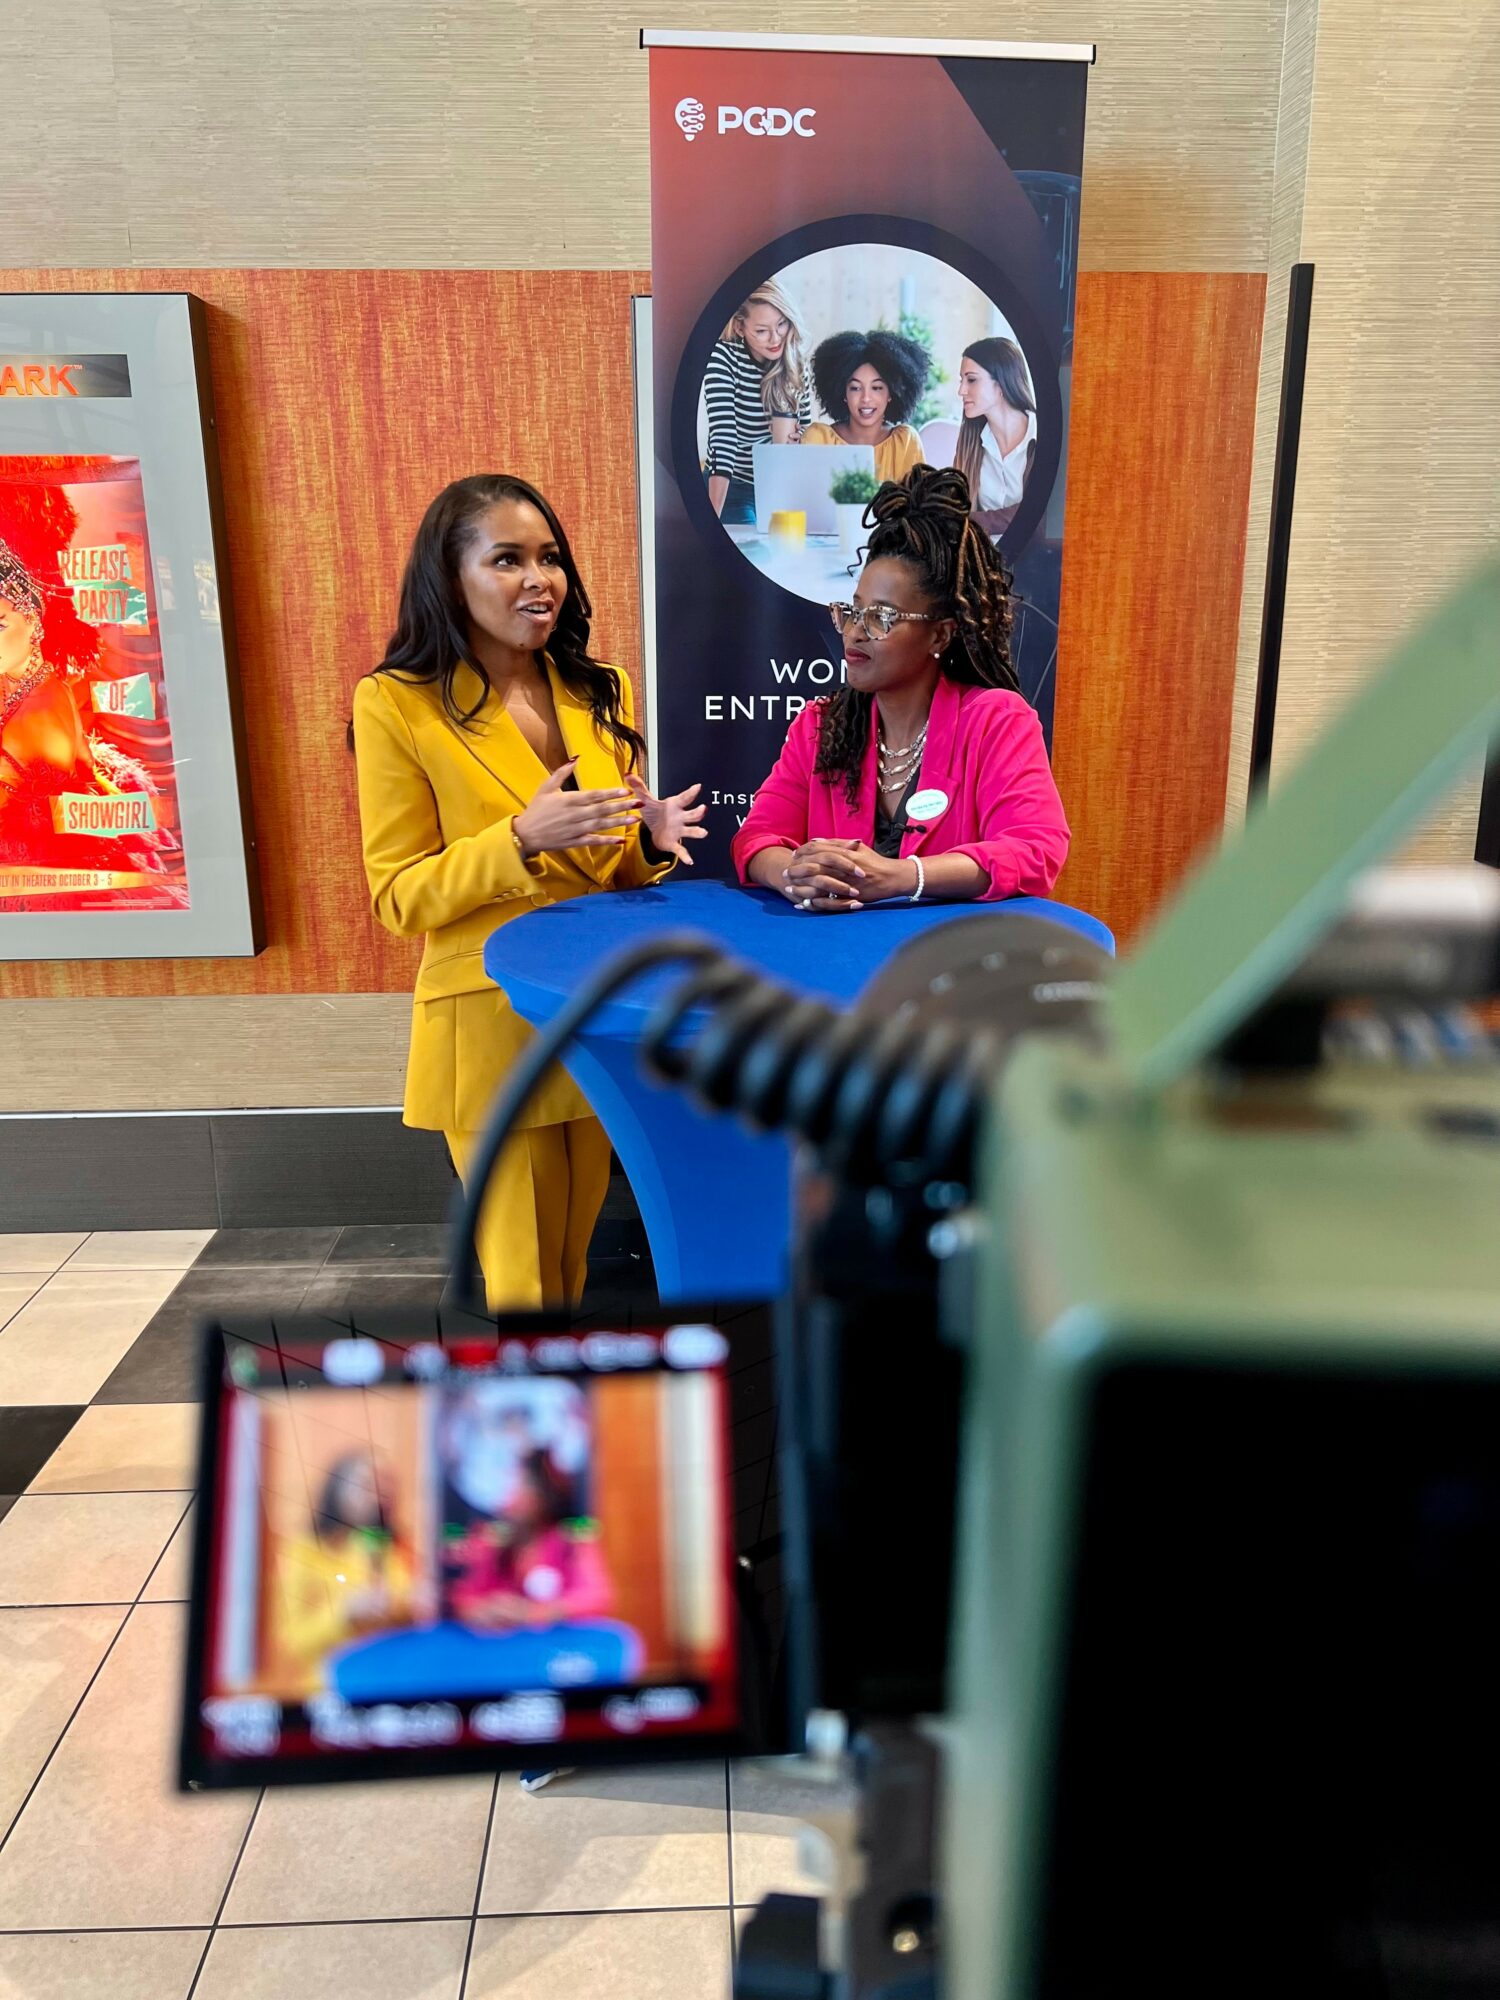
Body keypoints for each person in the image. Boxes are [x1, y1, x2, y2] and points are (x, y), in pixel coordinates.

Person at [352, 475, 706, 1307]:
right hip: (489, 1022)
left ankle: (559, 1388)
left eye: (550, 559)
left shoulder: (598, 687)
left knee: (571, 1270)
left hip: (588, 1016)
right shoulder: (397, 704)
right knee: (524, 1285)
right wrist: (516, 840)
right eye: (507, 559)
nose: (539, 580)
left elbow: (607, 870)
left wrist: (646, 842)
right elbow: (399, 895)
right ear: (452, 578)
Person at [732, 464, 1069, 911]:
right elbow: (756, 838)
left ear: (940, 635)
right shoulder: (820, 727)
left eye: (881, 617)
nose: (854, 632)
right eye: (853, 611)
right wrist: (795, 874)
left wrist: (903, 877)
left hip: (948, 951)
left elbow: (1035, 851)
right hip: (837, 950)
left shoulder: (995, 721)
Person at [0, 492, 171, 884]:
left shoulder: (38, 716)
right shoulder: (35, 681)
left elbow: (41, 819)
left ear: (33, 619)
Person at [274, 1451, 414, 1690]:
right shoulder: (304, 1551)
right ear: (338, 1488)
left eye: (386, 1484)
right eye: (367, 1483)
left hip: (391, 1681)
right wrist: (344, 1614)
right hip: (329, 1686)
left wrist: (406, 1606)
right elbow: (292, 1641)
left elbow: (409, 1608)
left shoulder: (394, 1547)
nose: (379, 1494)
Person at [445, 1447, 613, 1632]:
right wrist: (483, 1611)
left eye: (516, 1485)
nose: (506, 1497)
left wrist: (534, 1612)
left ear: (541, 1495)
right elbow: (464, 1596)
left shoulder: (570, 1541)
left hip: (556, 1646)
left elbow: (596, 1597)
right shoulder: (497, 1543)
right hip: (507, 1645)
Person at [702, 281, 813, 524]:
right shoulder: (724, 358)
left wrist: (801, 439)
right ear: (740, 328)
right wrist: (709, 522)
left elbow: (807, 432)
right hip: (732, 488)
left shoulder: (797, 365)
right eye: (762, 331)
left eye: (781, 324)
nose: (776, 338)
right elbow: (723, 437)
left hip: (778, 489)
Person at [799, 329, 927, 484]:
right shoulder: (819, 439)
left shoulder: (905, 443)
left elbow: (919, 497)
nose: (866, 398)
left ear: (891, 393)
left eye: (877, 388)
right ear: (843, 393)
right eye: (855, 388)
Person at [954, 337, 1038, 540]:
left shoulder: (1041, 436)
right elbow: (956, 505)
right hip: (982, 554)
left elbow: (1037, 511)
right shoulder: (971, 441)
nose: (961, 391)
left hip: (1032, 555)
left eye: (971, 380)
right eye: (961, 380)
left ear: (1001, 383)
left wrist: (966, 521)